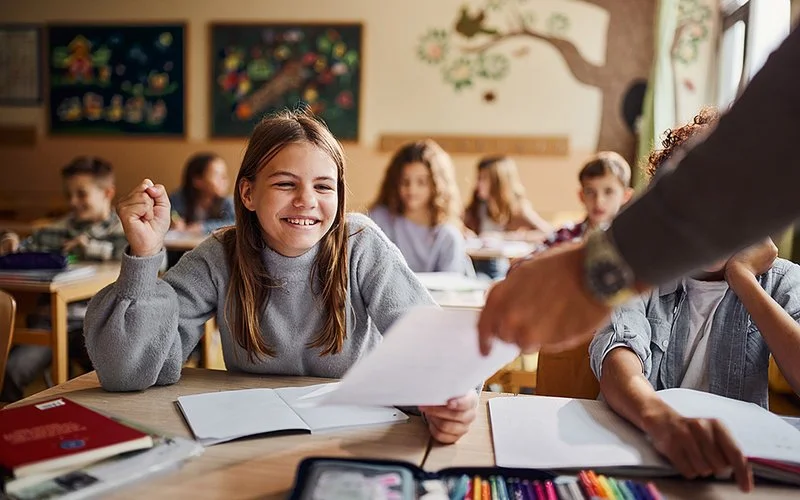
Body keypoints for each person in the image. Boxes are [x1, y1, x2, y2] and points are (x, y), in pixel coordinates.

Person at [84, 111, 477, 444]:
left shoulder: (361, 245)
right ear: (248, 193)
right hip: (250, 441)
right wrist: (144, 254)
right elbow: (126, 372)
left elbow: (431, 344)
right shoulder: (220, 254)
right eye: (286, 184)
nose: (306, 200)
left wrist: (448, 400)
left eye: (323, 186)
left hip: (355, 439)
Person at [477, 26, 800, 361]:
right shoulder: (650, 285)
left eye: (608, 192)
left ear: (627, 196)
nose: (599, 201)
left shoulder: (781, 280)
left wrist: (599, 268)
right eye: (591, 193)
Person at [589, 109, 800, 492]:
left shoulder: (781, 279)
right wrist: (661, 421)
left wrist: (743, 279)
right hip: (642, 455)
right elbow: (618, 354)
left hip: (737, 474)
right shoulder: (639, 271)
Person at [0, 156, 127, 402]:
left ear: (108, 193)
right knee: (12, 370)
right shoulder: (55, 230)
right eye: (68, 195)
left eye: (82, 194)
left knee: (116, 375)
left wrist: (91, 248)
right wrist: (9, 242)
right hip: (49, 323)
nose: (73, 202)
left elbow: (154, 260)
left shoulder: (124, 230)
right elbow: (22, 249)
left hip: (102, 324)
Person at [368, 140, 472, 275]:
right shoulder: (378, 220)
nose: (411, 190)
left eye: (422, 182)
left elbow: (451, 283)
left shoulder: (447, 235)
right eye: (405, 182)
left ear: (437, 186)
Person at [463, 155, 551, 279]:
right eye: (478, 178)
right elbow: (458, 225)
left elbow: (547, 233)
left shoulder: (518, 209)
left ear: (498, 182)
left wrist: (504, 237)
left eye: (483, 179)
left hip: (502, 266)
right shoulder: (476, 208)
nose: (478, 184)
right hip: (475, 262)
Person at [169, 153, 235, 234]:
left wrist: (202, 228)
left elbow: (233, 224)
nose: (224, 179)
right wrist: (174, 222)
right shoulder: (178, 199)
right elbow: (173, 215)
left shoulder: (228, 203)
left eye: (224, 175)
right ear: (197, 180)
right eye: (217, 175)